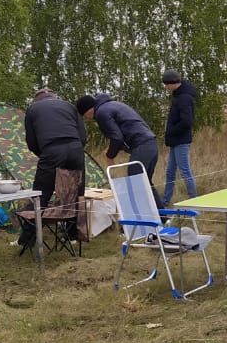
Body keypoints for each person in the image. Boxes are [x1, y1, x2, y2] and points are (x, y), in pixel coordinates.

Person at [22, 88, 87, 247]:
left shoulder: (32, 109)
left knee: (40, 195)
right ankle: (73, 235)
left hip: (52, 150)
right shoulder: (69, 106)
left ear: (37, 99)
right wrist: (75, 149)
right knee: (75, 194)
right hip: (76, 149)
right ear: (54, 97)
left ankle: (28, 239)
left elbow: (31, 142)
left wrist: (45, 154)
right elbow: (83, 136)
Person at [76, 92, 160, 207]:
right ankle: (162, 217)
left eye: (85, 116)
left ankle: (146, 218)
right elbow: (122, 134)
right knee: (144, 183)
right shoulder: (111, 105)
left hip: (141, 145)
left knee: (135, 182)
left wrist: (110, 155)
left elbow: (117, 137)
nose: (87, 119)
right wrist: (113, 148)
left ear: (88, 110)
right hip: (150, 143)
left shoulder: (101, 113)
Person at [160, 68, 198, 206]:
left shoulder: (184, 98)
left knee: (185, 171)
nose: (166, 87)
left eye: (166, 84)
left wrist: (171, 132)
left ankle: (194, 201)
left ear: (173, 83)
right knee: (170, 172)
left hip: (181, 141)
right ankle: (165, 201)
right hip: (175, 141)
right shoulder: (178, 96)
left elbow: (187, 122)